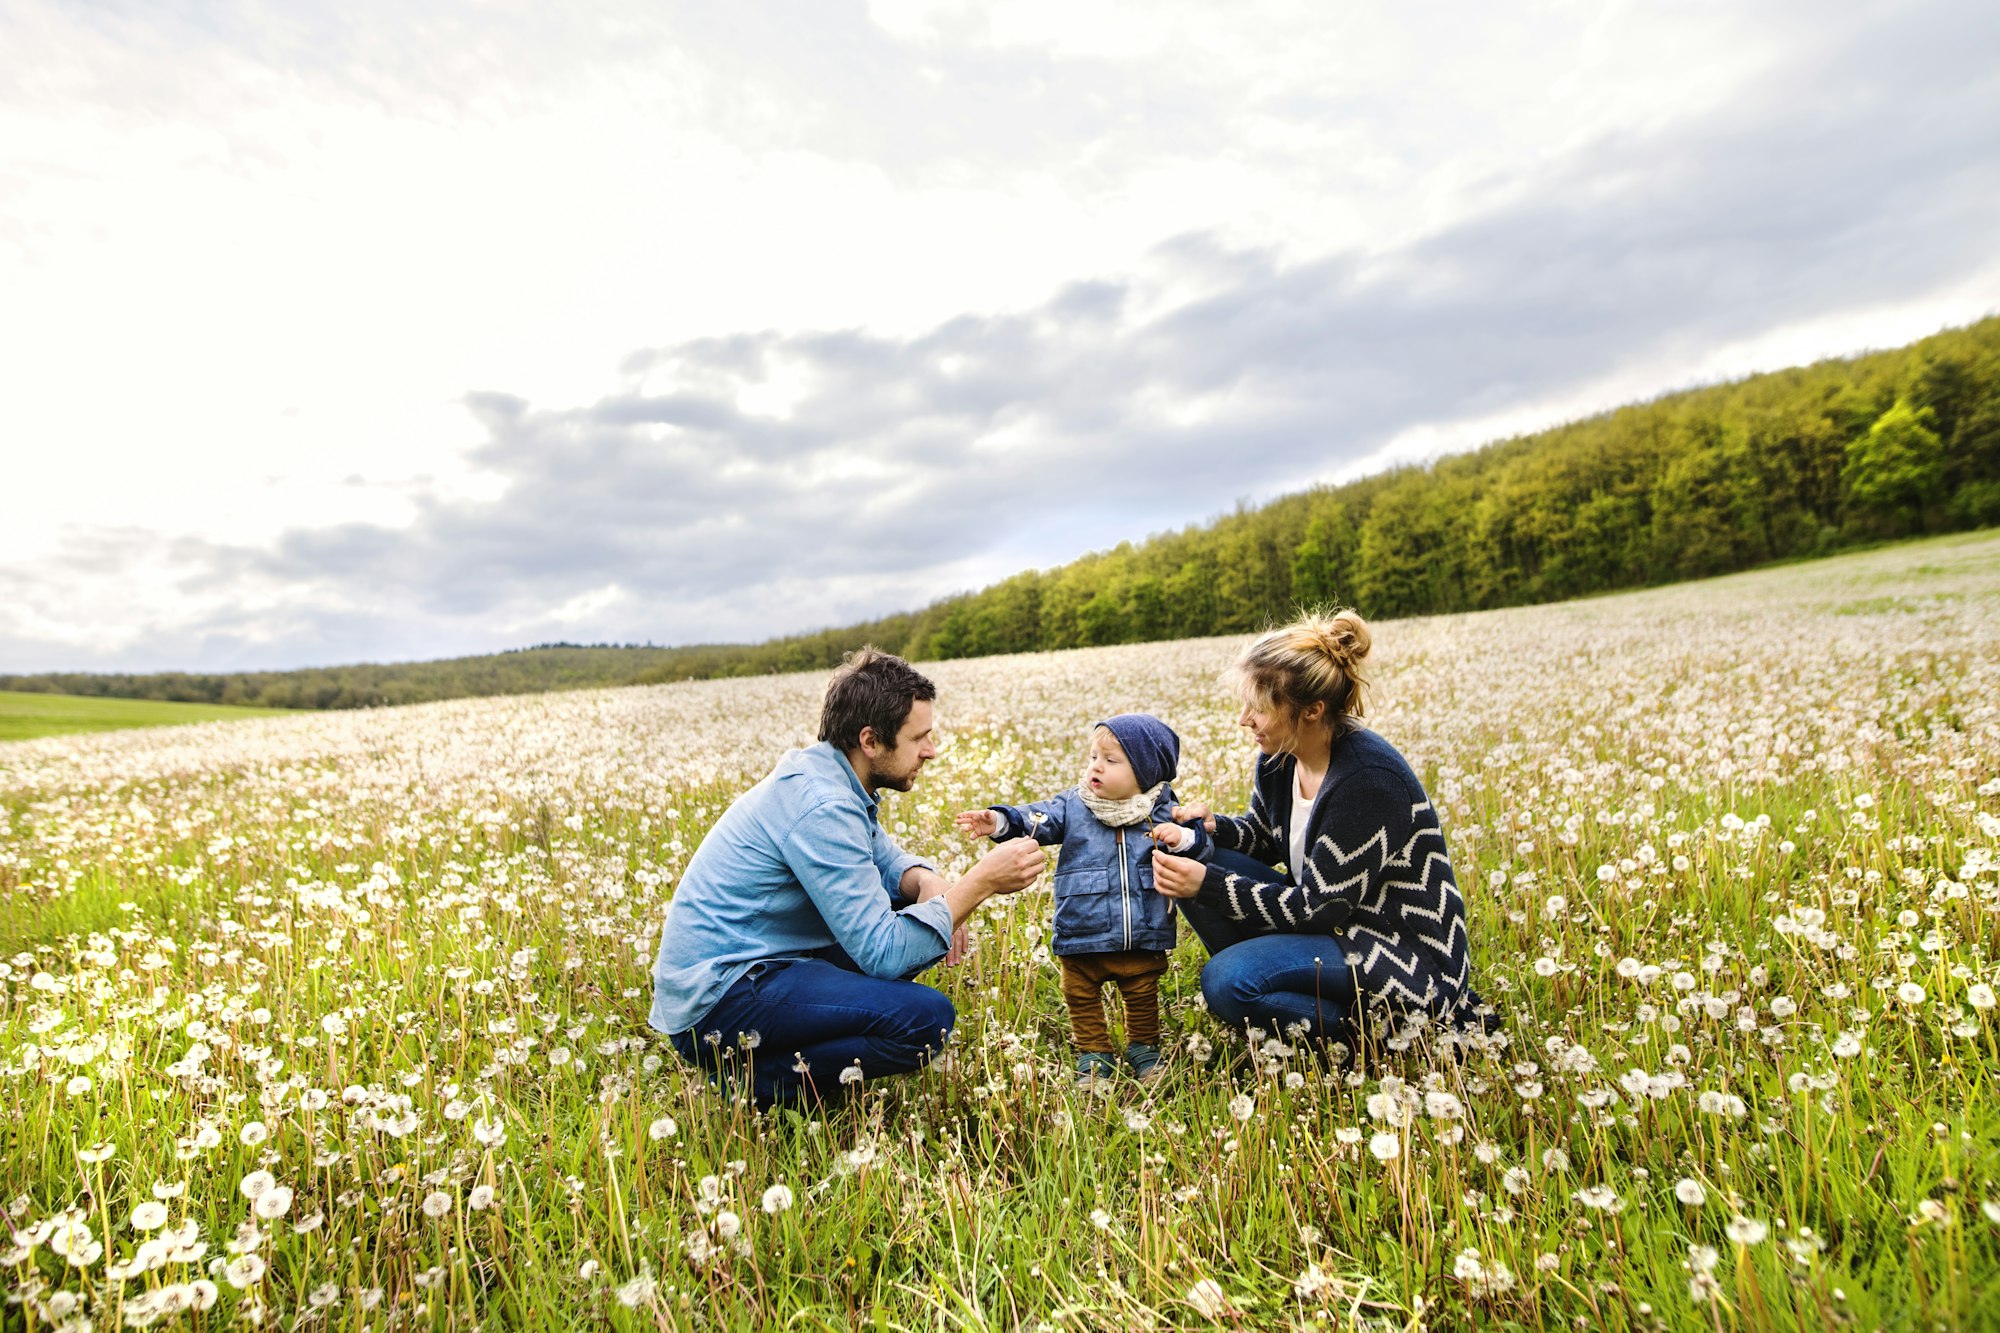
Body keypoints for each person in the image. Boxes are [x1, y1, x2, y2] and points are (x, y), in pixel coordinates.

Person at [648, 648, 1045, 1107]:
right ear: (870, 740)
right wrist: (978, 885)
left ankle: (790, 1059)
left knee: (911, 910)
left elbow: (888, 862)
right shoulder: (822, 803)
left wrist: (929, 884)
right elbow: (884, 953)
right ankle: (759, 1082)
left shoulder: (831, 776)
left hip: (762, 964)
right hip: (721, 999)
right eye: (919, 738)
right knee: (927, 1021)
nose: (931, 751)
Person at [1148, 610, 1495, 1057]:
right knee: (1194, 862)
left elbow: (1318, 908)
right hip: (1336, 926)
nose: (1244, 719)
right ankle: (1274, 984)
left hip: (1399, 953)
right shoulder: (1281, 757)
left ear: (1311, 711)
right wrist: (1215, 829)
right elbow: (1267, 837)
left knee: (1226, 980)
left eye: (1259, 707)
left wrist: (1209, 885)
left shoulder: (1368, 780)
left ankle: (1379, 1036)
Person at [956, 714, 1207, 1087]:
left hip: (1142, 930)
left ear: (1146, 772)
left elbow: (1201, 844)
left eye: (1111, 760)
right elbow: (1037, 819)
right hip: (1081, 927)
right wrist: (999, 822)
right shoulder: (1075, 804)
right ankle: (1094, 1055)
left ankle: (1145, 1050)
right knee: (1081, 995)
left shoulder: (1163, 811)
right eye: (1093, 757)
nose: (1096, 767)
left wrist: (1184, 839)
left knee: (1142, 994)